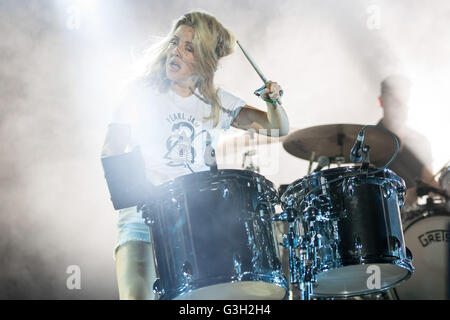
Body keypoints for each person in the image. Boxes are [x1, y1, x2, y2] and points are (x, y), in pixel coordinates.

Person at [101, 11, 289, 300]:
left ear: (204, 61)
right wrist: (140, 195)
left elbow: (277, 128)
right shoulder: (139, 91)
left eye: (188, 48)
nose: (175, 52)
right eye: (175, 42)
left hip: (197, 220)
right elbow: (112, 148)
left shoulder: (218, 103)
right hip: (142, 216)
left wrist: (272, 101)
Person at [374, 75, 440, 206]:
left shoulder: (419, 142)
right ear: (381, 101)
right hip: (383, 216)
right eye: (393, 100)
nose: (398, 105)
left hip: (413, 220)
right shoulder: (368, 142)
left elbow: (432, 186)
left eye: (402, 100)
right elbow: (363, 189)